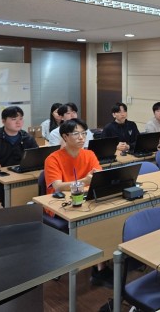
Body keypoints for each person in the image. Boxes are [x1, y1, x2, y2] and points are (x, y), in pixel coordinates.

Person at [43, 118, 112, 287]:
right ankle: (99, 268)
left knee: (108, 216)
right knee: (94, 221)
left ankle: (106, 256)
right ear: (65, 137)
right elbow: (58, 186)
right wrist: (85, 181)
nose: (82, 137)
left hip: (86, 199)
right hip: (60, 205)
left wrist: (89, 182)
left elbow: (98, 177)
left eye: (84, 133)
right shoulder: (53, 158)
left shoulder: (89, 154)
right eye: (76, 134)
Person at [0, 105, 38, 206]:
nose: (18, 122)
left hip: (23, 176)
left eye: (20, 119)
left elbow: (37, 156)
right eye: (14, 119)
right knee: (12, 196)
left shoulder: (27, 138)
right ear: (3, 121)